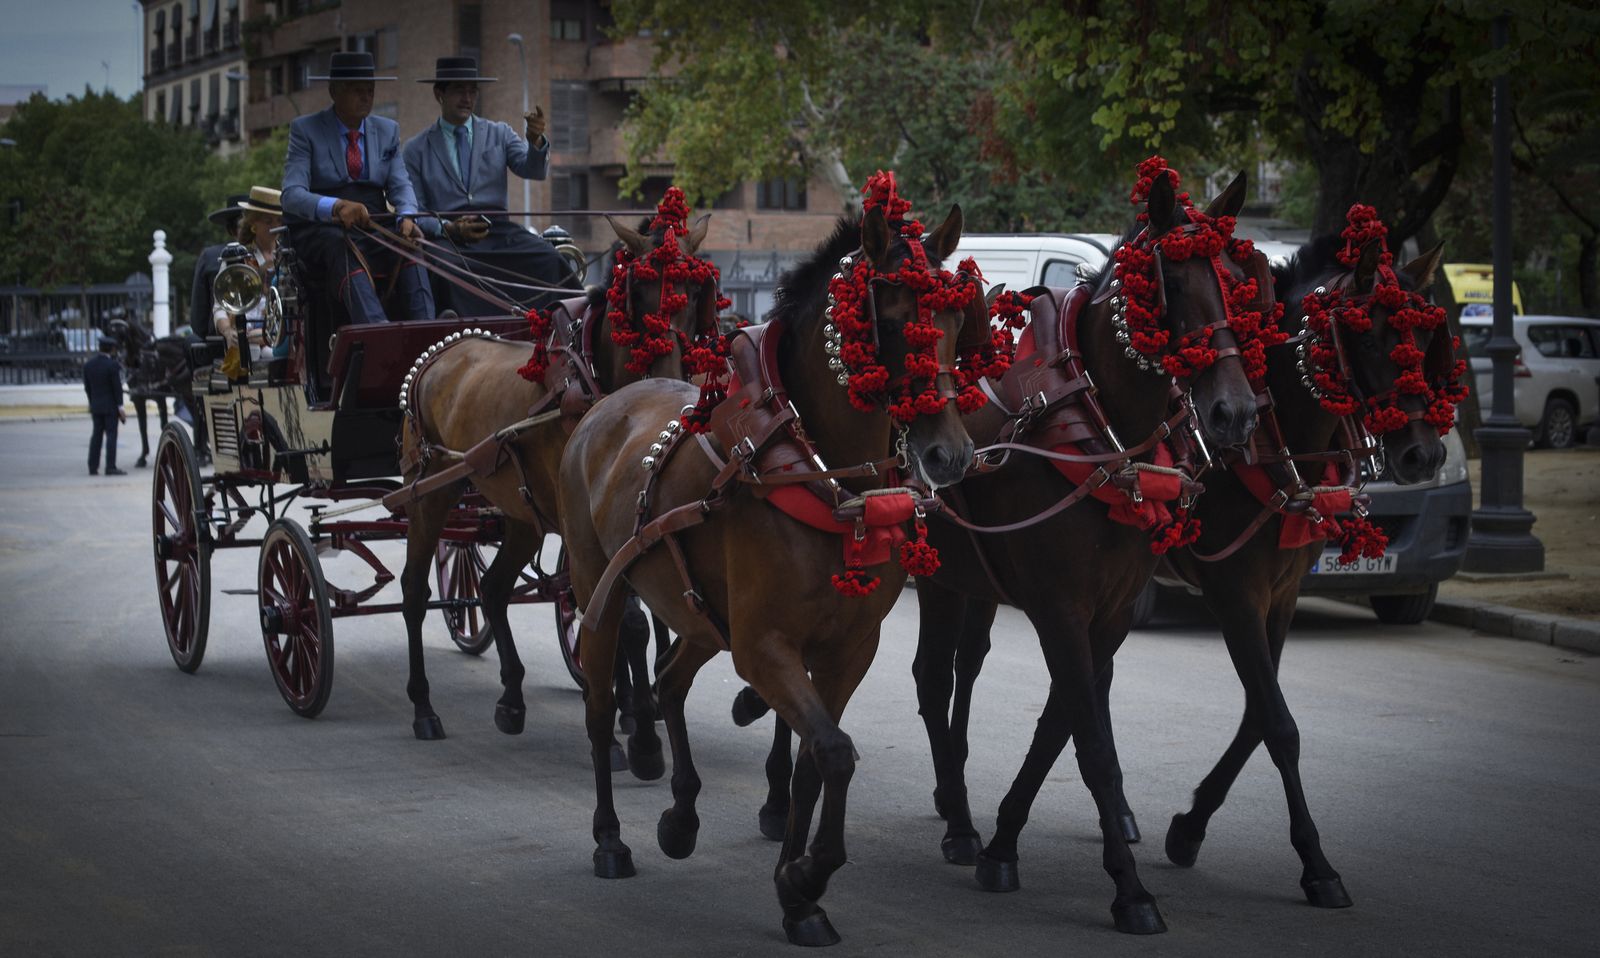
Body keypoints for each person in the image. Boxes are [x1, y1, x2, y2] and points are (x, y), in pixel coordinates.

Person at [402, 55, 572, 315]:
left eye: (473, 91)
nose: (467, 98)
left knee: (549, 259)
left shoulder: (500, 133)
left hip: (500, 234)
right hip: (450, 239)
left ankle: (569, 325)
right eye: (459, 90)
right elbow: (415, 212)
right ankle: (457, 331)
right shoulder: (416, 149)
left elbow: (533, 170)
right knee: (443, 268)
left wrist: (536, 142)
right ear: (439, 93)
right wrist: (447, 228)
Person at [280, 51, 434, 324]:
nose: (366, 97)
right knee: (341, 247)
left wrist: (407, 215)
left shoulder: (387, 130)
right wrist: (336, 207)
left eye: (370, 91)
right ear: (334, 92)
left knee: (411, 244)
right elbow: (291, 195)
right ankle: (377, 330)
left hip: (373, 221)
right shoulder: (306, 130)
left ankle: (428, 330)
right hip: (324, 228)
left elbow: (401, 185)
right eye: (357, 91)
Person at [214, 186, 285, 374]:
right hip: (248, 344)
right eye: (268, 221)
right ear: (253, 223)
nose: (275, 225)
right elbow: (220, 307)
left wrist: (273, 334)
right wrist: (229, 332)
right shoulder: (237, 256)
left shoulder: (288, 255)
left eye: (279, 220)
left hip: (281, 338)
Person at [84, 336, 127, 476]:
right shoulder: (112, 365)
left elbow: (87, 388)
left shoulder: (89, 365)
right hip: (110, 407)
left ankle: (92, 466)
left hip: (96, 406)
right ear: (112, 349)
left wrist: (92, 402)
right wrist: (121, 408)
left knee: (96, 436)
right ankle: (110, 466)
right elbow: (117, 388)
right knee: (111, 436)